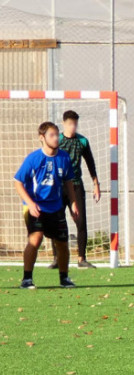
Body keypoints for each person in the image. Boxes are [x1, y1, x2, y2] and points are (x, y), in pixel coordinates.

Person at [14, 121, 78, 289]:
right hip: (35, 207)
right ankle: (26, 279)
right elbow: (17, 181)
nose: (56, 138)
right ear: (42, 138)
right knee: (36, 239)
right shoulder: (33, 159)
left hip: (56, 207)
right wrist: (30, 203)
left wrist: (73, 204)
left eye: (57, 134)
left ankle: (64, 278)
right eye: (52, 135)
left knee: (62, 243)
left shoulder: (64, 157)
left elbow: (69, 182)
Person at [49, 110, 101, 269]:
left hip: (76, 185)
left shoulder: (82, 141)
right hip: (58, 186)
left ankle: (81, 258)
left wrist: (96, 184)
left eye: (75, 124)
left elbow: (90, 163)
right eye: (70, 124)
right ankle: (57, 258)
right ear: (64, 124)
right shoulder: (57, 141)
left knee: (81, 221)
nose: (73, 127)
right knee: (55, 222)